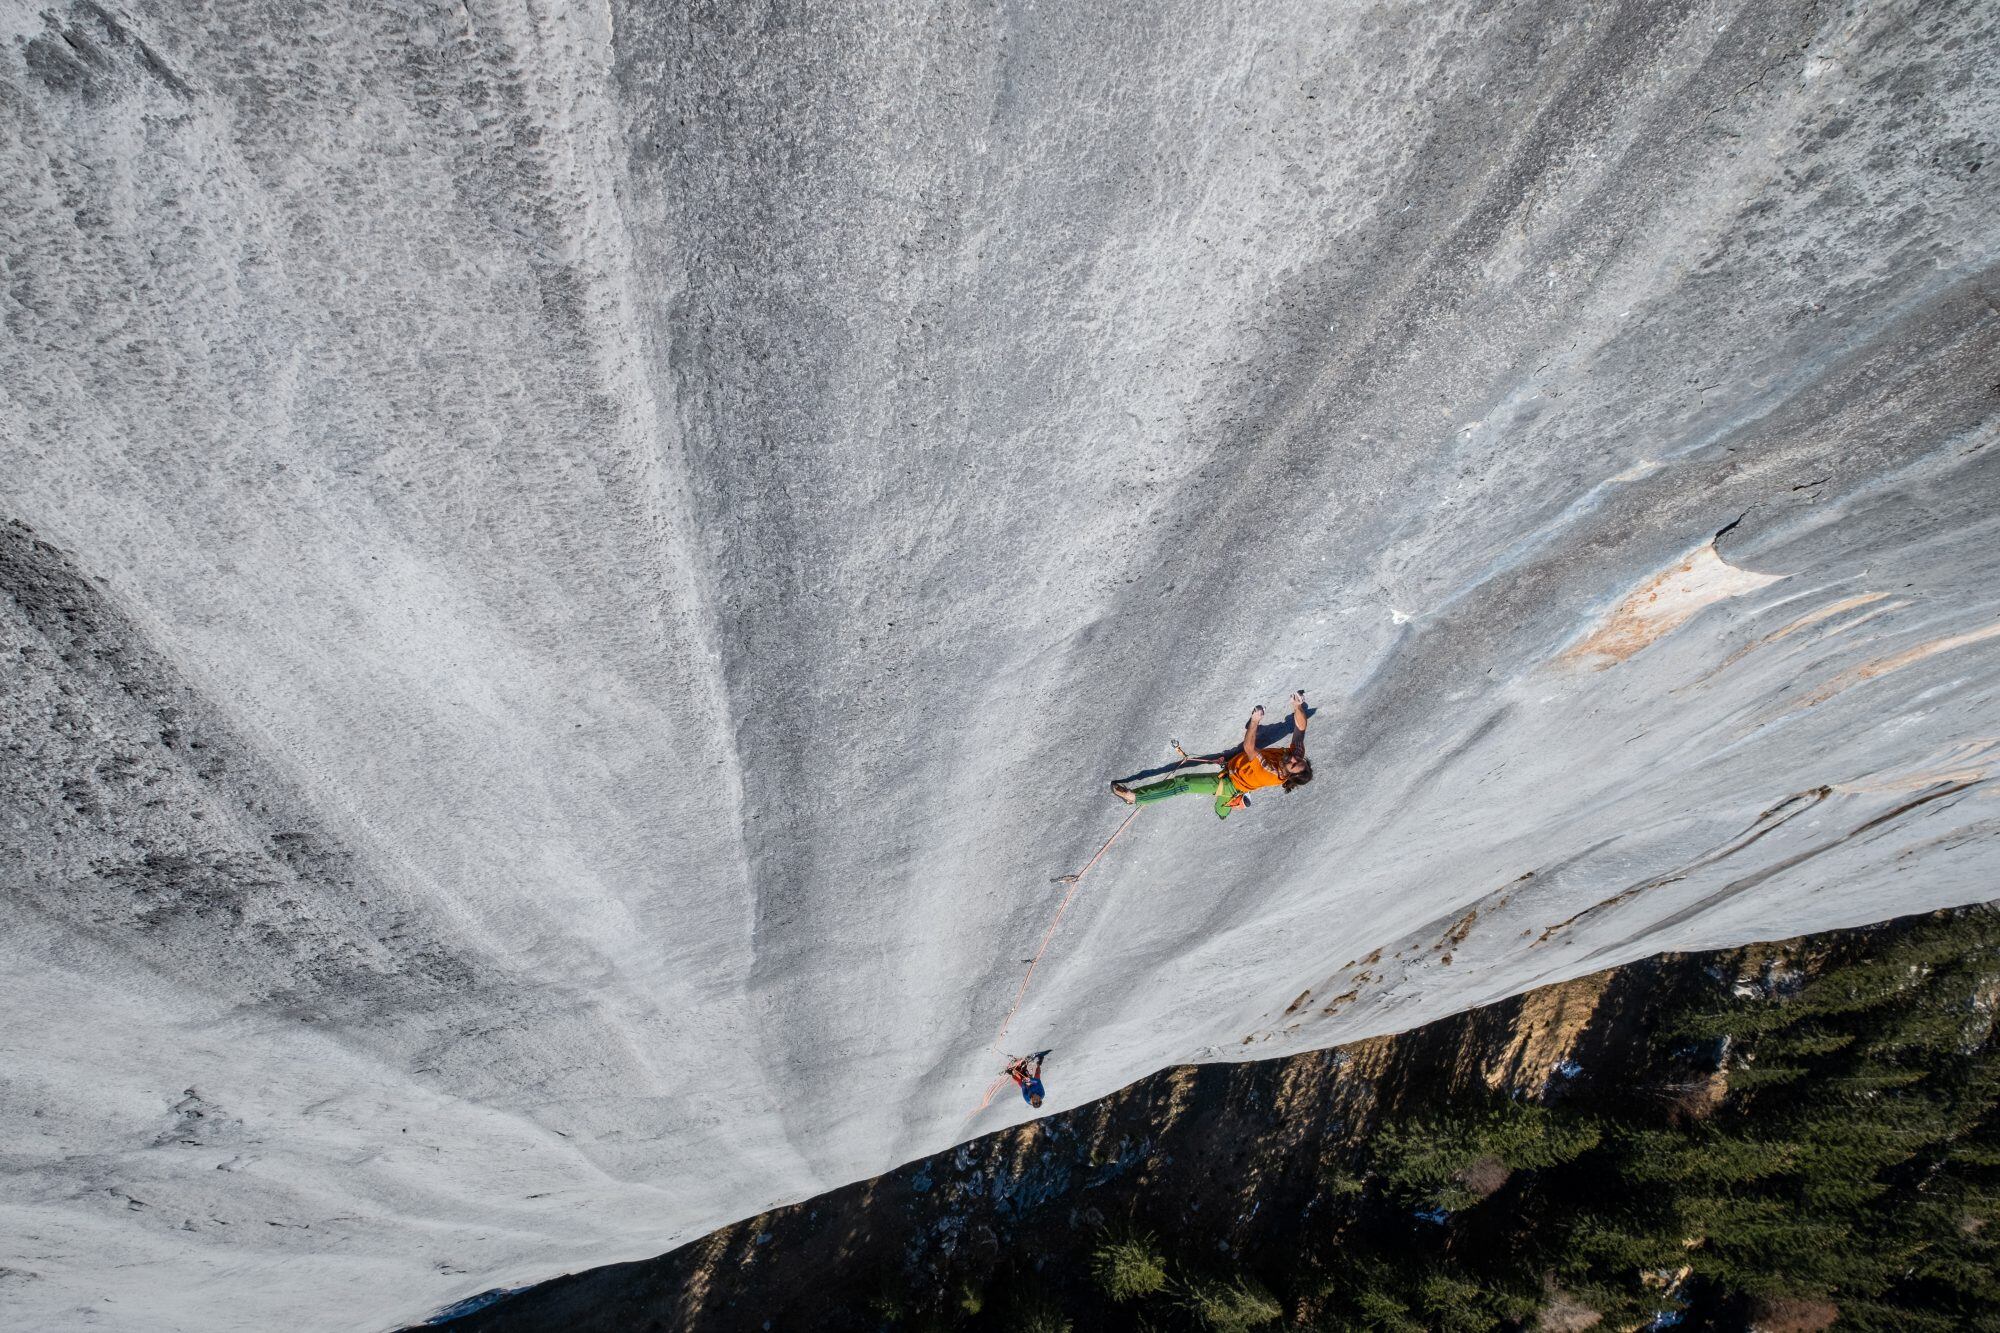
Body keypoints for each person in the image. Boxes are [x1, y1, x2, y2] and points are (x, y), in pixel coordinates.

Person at [1111, 691, 1312, 819]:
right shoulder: (1294, 757)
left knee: (1183, 783)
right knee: (1222, 804)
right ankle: (1227, 807)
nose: (1294, 758)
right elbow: (1300, 730)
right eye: (1298, 759)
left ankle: (1135, 797)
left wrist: (1254, 721)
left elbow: (1250, 748)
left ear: (1287, 775)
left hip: (1232, 782)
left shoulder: (1271, 771)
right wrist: (1298, 707)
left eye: (1294, 764)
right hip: (1234, 770)